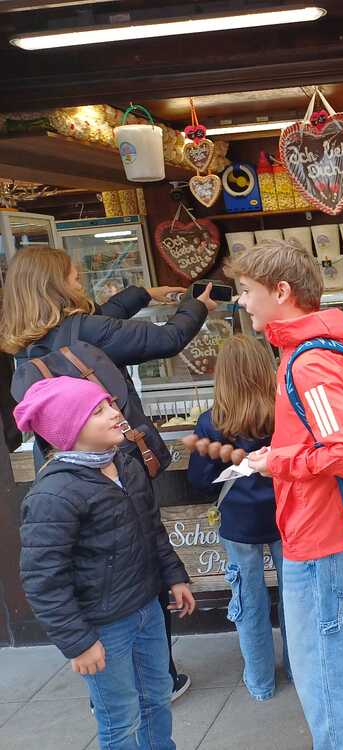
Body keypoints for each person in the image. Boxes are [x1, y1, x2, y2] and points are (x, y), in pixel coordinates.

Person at [0, 246, 217, 702]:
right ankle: (158, 674)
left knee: (93, 562)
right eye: (74, 278)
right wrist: (197, 305)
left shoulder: (26, 345)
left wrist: (143, 293)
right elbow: (167, 339)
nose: (81, 284)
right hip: (113, 464)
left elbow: (106, 317)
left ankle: (118, 666)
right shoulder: (85, 330)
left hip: (61, 469)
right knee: (139, 555)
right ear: (56, 286)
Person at [230, 240, 343, 750]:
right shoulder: (320, 346)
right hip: (339, 530)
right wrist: (286, 452)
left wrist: (280, 463)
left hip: (320, 539)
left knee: (329, 682)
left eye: (247, 289)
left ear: (280, 291)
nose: (241, 301)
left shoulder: (306, 362)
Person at [16, 376, 196, 750]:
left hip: (147, 608)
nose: (115, 413)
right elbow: (43, 579)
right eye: (98, 411)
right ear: (69, 429)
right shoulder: (54, 494)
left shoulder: (126, 465)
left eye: (109, 404)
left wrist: (174, 576)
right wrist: (79, 643)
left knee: (157, 696)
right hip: (104, 626)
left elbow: (151, 528)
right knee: (120, 718)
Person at [185, 334, 290, 701]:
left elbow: (199, 481)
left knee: (248, 600)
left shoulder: (211, 422)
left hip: (239, 520)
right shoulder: (284, 412)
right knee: (295, 596)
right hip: (285, 514)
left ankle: (261, 681)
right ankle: (299, 669)